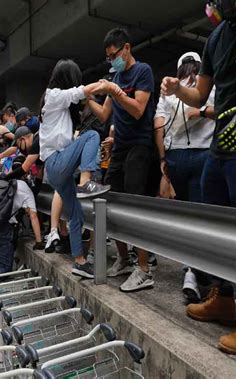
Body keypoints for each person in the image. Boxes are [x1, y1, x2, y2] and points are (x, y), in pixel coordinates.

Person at [161, 0, 236, 355]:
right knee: (215, 224)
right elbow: (201, 94)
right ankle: (222, 298)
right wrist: (178, 89)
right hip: (223, 147)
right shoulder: (217, 37)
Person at [88, 28, 156, 291]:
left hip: (139, 144)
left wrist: (115, 90)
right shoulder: (114, 76)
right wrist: (88, 98)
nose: (111, 60)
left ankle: (144, 269)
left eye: (113, 54)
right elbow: (105, 115)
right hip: (120, 147)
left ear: (126, 48)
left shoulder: (143, 72)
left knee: (133, 203)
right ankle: (124, 259)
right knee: (108, 199)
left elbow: (138, 110)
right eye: (108, 57)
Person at [39, 59, 111, 279]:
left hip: (58, 169)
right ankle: (86, 181)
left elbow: (93, 106)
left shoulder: (60, 107)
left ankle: (79, 261)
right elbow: (79, 92)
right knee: (92, 135)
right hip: (56, 162)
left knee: (76, 215)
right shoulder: (52, 95)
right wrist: (103, 85)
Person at [154, 52, 216, 303]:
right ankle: (202, 276)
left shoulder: (168, 88)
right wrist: (201, 113)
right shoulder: (207, 85)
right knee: (205, 219)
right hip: (204, 156)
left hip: (176, 158)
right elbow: (223, 111)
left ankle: (192, 271)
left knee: (187, 218)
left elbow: (158, 125)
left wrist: (162, 160)